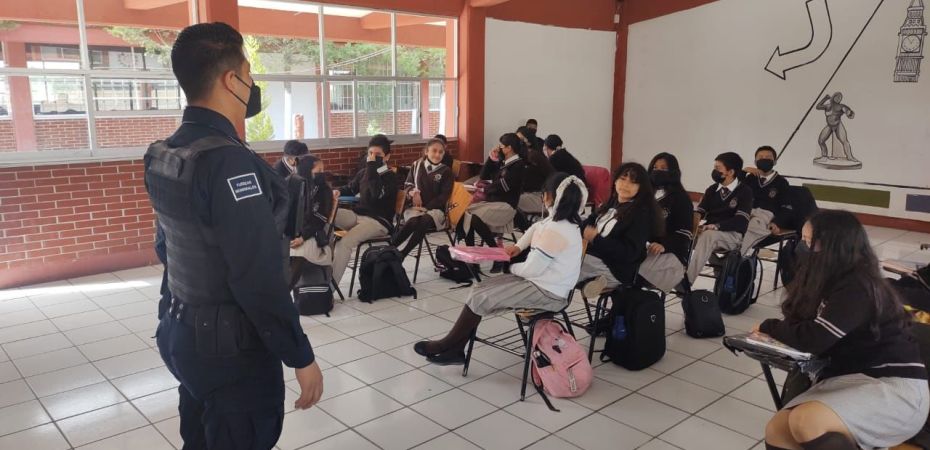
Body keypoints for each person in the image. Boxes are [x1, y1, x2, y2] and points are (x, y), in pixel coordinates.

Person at [144, 22, 323, 449]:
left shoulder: (165, 153)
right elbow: (257, 277)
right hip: (230, 354)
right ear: (231, 80)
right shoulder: (229, 164)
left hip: (181, 332)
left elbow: (166, 248)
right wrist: (300, 355)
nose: (253, 84)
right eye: (249, 73)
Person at [757, 210, 928, 450]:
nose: (802, 249)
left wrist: (769, 327)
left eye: (809, 242)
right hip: (847, 379)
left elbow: (814, 338)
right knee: (777, 429)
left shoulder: (858, 285)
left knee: (806, 421)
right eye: (803, 240)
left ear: (833, 247)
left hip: (892, 387)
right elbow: (800, 323)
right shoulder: (825, 281)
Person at [414, 172, 587, 365]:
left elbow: (531, 270)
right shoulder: (562, 223)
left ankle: (448, 345)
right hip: (542, 284)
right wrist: (518, 247)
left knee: (482, 295)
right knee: (480, 290)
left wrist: (510, 267)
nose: (542, 197)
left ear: (552, 196)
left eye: (544, 193)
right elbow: (535, 228)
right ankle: (455, 348)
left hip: (548, 293)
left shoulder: (556, 230)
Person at [578, 163, 662, 294]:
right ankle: (593, 282)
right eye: (622, 179)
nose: (625, 185)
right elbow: (589, 222)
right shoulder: (611, 203)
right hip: (594, 257)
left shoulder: (641, 214)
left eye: (633, 182)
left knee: (566, 264)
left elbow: (629, 253)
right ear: (615, 181)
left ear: (641, 187)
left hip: (616, 269)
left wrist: (596, 238)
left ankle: (599, 281)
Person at [332, 134, 398, 286]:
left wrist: (372, 168)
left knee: (344, 243)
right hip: (359, 215)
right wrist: (337, 192)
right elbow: (350, 188)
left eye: (377, 155)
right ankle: (318, 275)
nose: (372, 157)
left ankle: (330, 288)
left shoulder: (390, 177)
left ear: (387, 157)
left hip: (378, 222)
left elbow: (375, 194)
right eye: (370, 153)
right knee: (327, 214)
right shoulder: (364, 172)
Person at [686, 152, 753, 284]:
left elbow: (741, 221)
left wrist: (716, 226)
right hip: (710, 233)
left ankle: (687, 282)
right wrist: (692, 221)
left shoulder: (745, 191)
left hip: (732, 235)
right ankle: (672, 275)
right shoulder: (712, 189)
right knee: (683, 235)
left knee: (708, 236)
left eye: (718, 168)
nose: (714, 171)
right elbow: (701, 211)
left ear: (730, 172)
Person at [455, 133, 527, 250]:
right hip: (493, 202)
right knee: (466, 212)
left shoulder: (518, 165)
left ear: (509, 148)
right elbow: (483, 175)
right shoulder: (503, 162)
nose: (498, 148)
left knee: (472, 217)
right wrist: (492, 158)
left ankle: (494, 249)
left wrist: (484, 188)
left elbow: (503, 186)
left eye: (501, 146)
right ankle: (472, 251)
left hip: (506, 205)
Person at [391, 138, 454, 257]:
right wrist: (414, 193)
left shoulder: (446, 171)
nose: (437, 155)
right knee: (414, 220)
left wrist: (426, 208)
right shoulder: (417, 165)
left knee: (424, 220)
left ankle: (403, 253)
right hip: (415, 208)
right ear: (426, 151)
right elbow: (408, 184)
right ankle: (391, 248)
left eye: (441, 152)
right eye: (434, 151)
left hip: (436, 211)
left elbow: (444, 196)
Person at [640, 153, 693, 292]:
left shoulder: (680, 198)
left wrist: (664, 245)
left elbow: (684, 233)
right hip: (642, 246)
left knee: (635, 270)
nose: (657, 171)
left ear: (673, 172)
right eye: (655, 168)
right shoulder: (644, 195)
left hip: (667, 250)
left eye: (663, 168)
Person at [286, 155, 334, 288]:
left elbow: (319, 220)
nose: (322, 174)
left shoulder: (324, 191)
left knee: (299, 252)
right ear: (306, 171)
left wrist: (302, 237)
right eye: (318, 171)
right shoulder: (294, 185)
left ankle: (283, 293)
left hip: (315, 235)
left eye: (322, 170)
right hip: (293, 232)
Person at [740, 146, 792, 255]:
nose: (764, 159)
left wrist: (776, 222)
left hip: (764, 216)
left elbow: (786, 207)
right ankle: (744, 253)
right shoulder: (750, 178)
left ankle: (737, 256)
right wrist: (743, 171)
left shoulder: (781, 182)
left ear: (775, 161)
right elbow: (734, 191)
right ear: (755, 162)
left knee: (753, 225)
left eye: (768, 157)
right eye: (760, 157)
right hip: (746, 212)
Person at [516, 126, 554, 231]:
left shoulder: (534, 156)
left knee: (508, 201)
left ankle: (528, 225)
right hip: (527, 194)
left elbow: (552, 176)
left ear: (528, 142)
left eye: (520, 139)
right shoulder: (520, 156)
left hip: (538, 196)